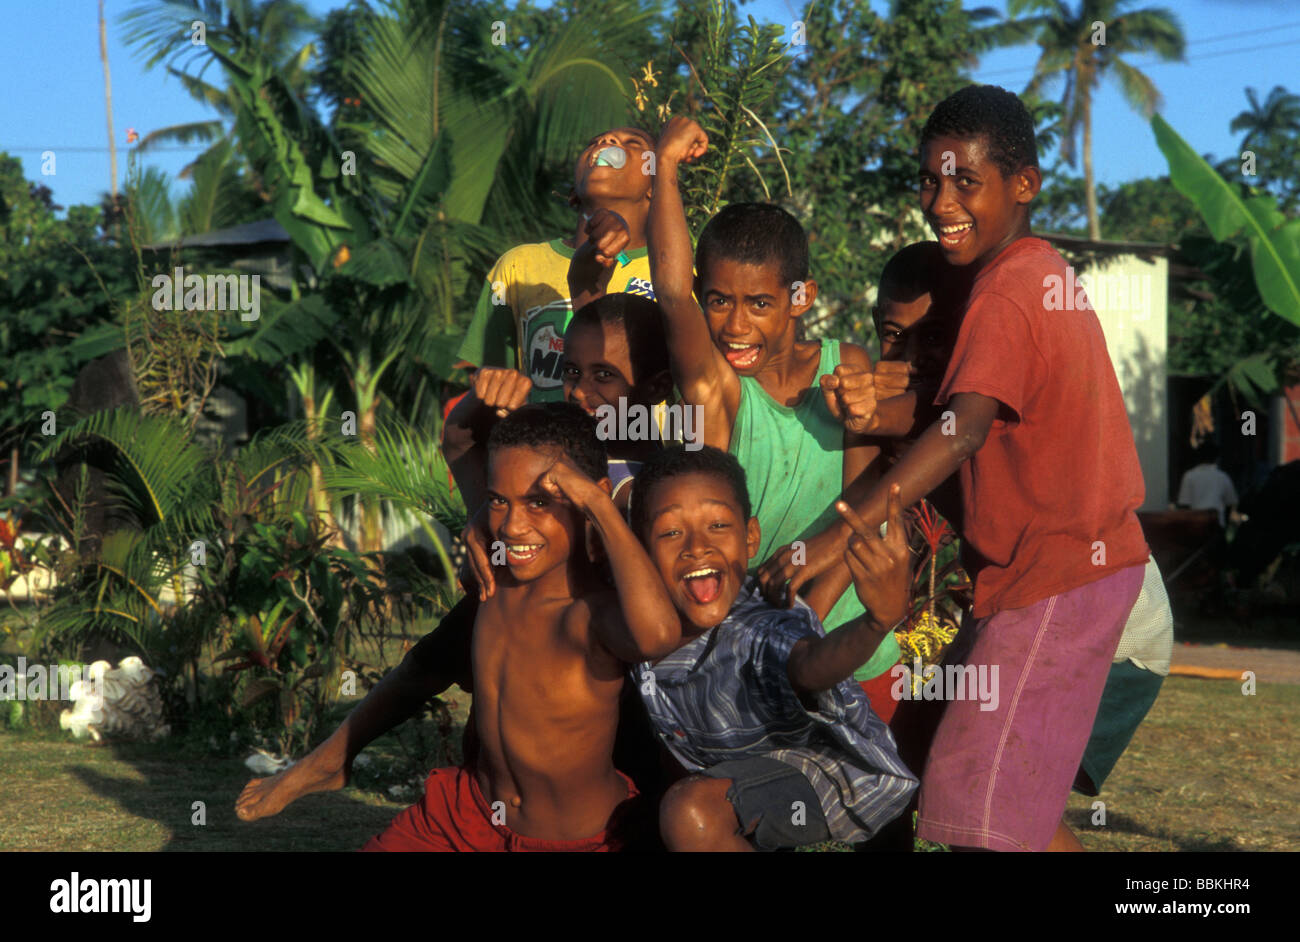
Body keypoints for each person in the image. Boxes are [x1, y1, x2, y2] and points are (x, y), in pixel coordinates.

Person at [766, 85, 1150, 852]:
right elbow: (951, 423)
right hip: (1057, 578)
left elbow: (963, 428)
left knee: (978, 799)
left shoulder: (1008, 288)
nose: (940, 201)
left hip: (1060, 576)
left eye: (964, 182)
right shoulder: (1037, 274)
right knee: (1000, 801)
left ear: (1025, 184)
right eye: (929, 181)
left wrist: (843, 529)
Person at [237, 299, 676, 825]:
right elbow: (463, 444)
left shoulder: (664, 478)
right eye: (571, 372)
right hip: (518, 621)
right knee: (470, 626)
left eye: (604, 375)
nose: (581, 391)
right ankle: (335, 758)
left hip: (616, 656)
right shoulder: (549, 436)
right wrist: (477, 407)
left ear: (655, 388)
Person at [646, 116, 914, 723]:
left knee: (877, 811)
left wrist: (813, 625)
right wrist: (662, 168)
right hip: (743, 649)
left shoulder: (846, 366)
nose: (736, 327)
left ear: (801, 297)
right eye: (718, 301)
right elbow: (667, 290)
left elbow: (862, 507)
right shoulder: (717, 388)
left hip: (853, 644)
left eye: (759, 303)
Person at [362, 403, 679, 851]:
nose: (512, 525)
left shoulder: (593, 612)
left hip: (578, 840)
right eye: (498, 501)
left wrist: (596, 504)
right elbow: (457, 440)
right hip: (465, 813)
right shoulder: (498, 572)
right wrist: (478, 397)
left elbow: (658, 636)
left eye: (539, 502)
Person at [627, 446, 917, 850]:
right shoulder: (637, 626)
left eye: (717, 525)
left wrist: (876, 623)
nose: (697, 546)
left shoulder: (761, 623)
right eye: (671, 532)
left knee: (690, 815)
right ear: (638, 551)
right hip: (736, 776)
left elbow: (808, 663)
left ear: (751, 538)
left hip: (827, 776)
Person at [455, 127, 659, 401]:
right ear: (574, 192)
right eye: (594, 142)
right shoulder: (517, 267)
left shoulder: (673, 277)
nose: (606, 142)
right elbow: (491, 384)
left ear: (656, 189)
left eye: (632, 143)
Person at [1176, 442, 1238, 528]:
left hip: (1195, 525)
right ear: (1216, 458)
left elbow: (1184, 504)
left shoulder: (1189, 476)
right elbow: (1230, 503)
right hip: (1216, 524)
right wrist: (1225, 523)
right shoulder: (1222, 477)